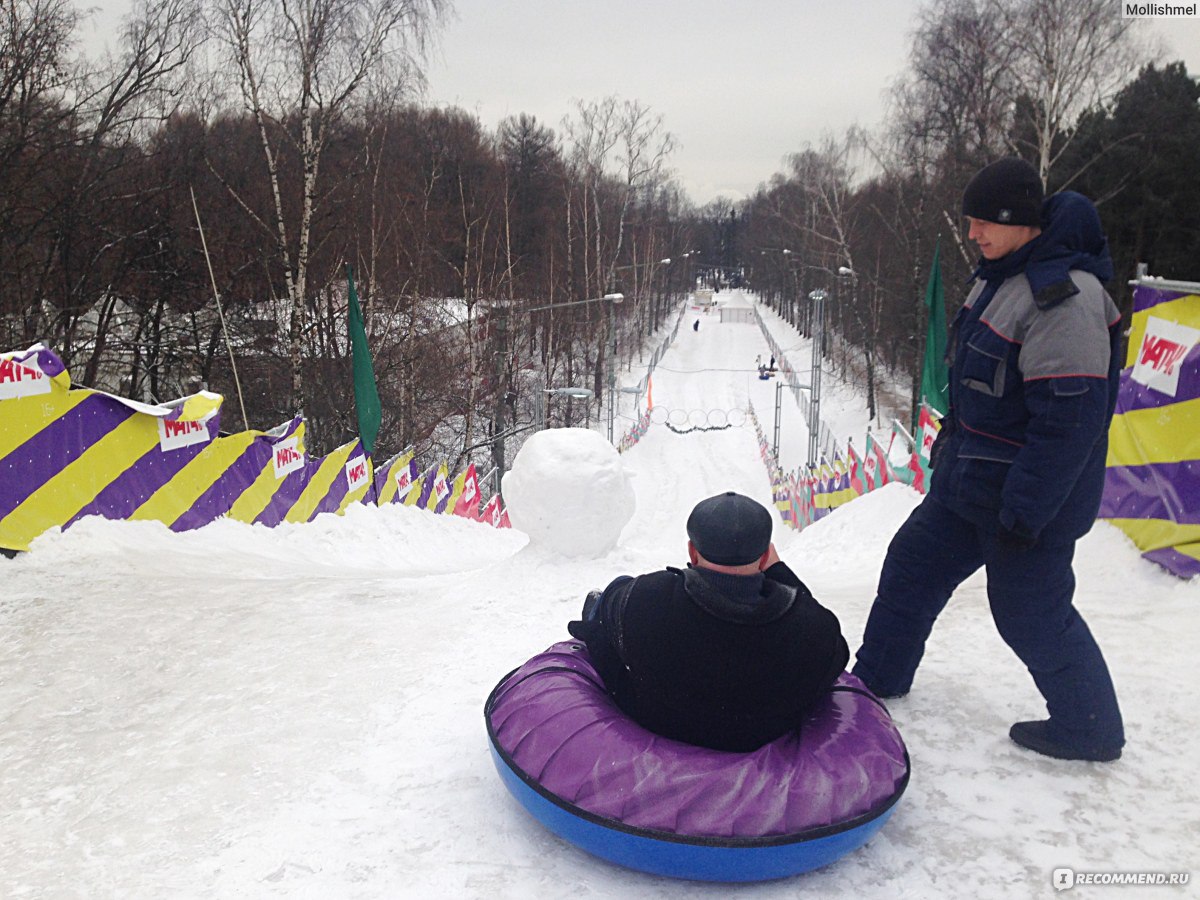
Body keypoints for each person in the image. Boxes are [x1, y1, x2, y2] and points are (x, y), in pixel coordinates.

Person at [851, 158, 1125, 762]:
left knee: (1030, 613)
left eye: (983, 223)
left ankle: (1090, 728)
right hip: (968, 485)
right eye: (970, 221)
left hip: (1025, 502)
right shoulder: (997, 275)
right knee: (911, 568)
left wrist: (1025, 513)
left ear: (1020, 222)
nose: (972, 233)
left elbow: (1068, 425)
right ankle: (874, 680)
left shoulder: (1066, 300)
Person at [568, 491, 849, 752]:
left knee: (611, 598)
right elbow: (820, 628)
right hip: (761, 736)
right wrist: (780, 572)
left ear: (692, 552)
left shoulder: (647, 598)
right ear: (765, 557)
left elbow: (615, 600)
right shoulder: (812, 630)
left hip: (660, 723)